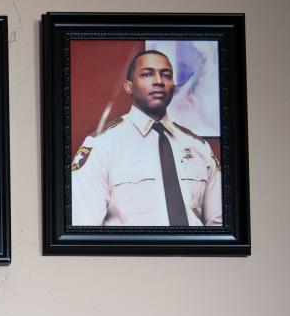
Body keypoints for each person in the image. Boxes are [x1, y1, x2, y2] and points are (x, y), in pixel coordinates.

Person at [71, 49, 222, 227]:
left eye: (166, 75)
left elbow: (219, 226)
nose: (159, 81)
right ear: (128, 86)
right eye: (147, 74)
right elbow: (83, 227)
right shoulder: (102, 146)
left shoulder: (199, 147)